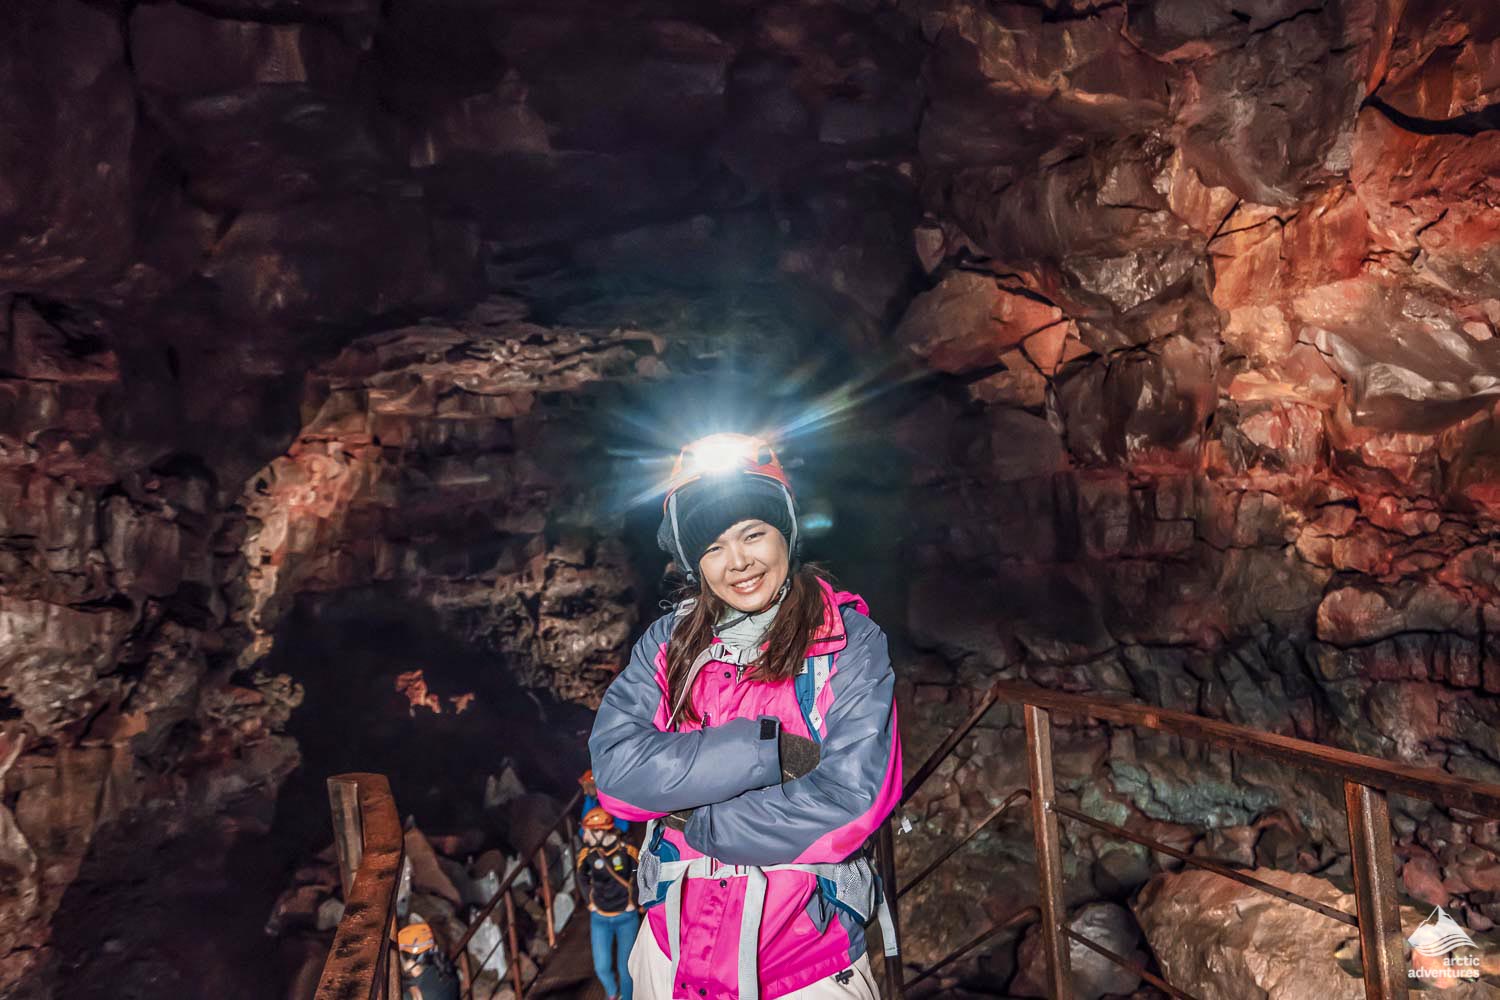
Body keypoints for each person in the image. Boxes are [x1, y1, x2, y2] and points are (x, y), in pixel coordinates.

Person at [588, 433, 902, 1000]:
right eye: (711, 547)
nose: (737, 563)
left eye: (753, 534)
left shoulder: (848, 642)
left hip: (801, 964)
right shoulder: (667, 642)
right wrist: (766, 753)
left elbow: (852, 799)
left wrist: (698, 821)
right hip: (669, 951)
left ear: (787, 531)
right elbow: (615, 774)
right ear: (692, 562)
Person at [577, 806, 641, 1000]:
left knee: (626, 968)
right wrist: (590, 901)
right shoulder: (588, 854)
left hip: (626, 916)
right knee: (601, 967)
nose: (584, 837)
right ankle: (613, 995)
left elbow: (639, 874)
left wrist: (634, 901)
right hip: (600, 918)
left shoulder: (627, 850)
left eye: (588, 832)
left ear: (600, 831)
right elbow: (581, 876)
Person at [396, 921, 459, 1000]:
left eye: (400, 956)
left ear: (412, 964)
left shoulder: (411, 997)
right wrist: (409, 986)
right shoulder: (446, 968)